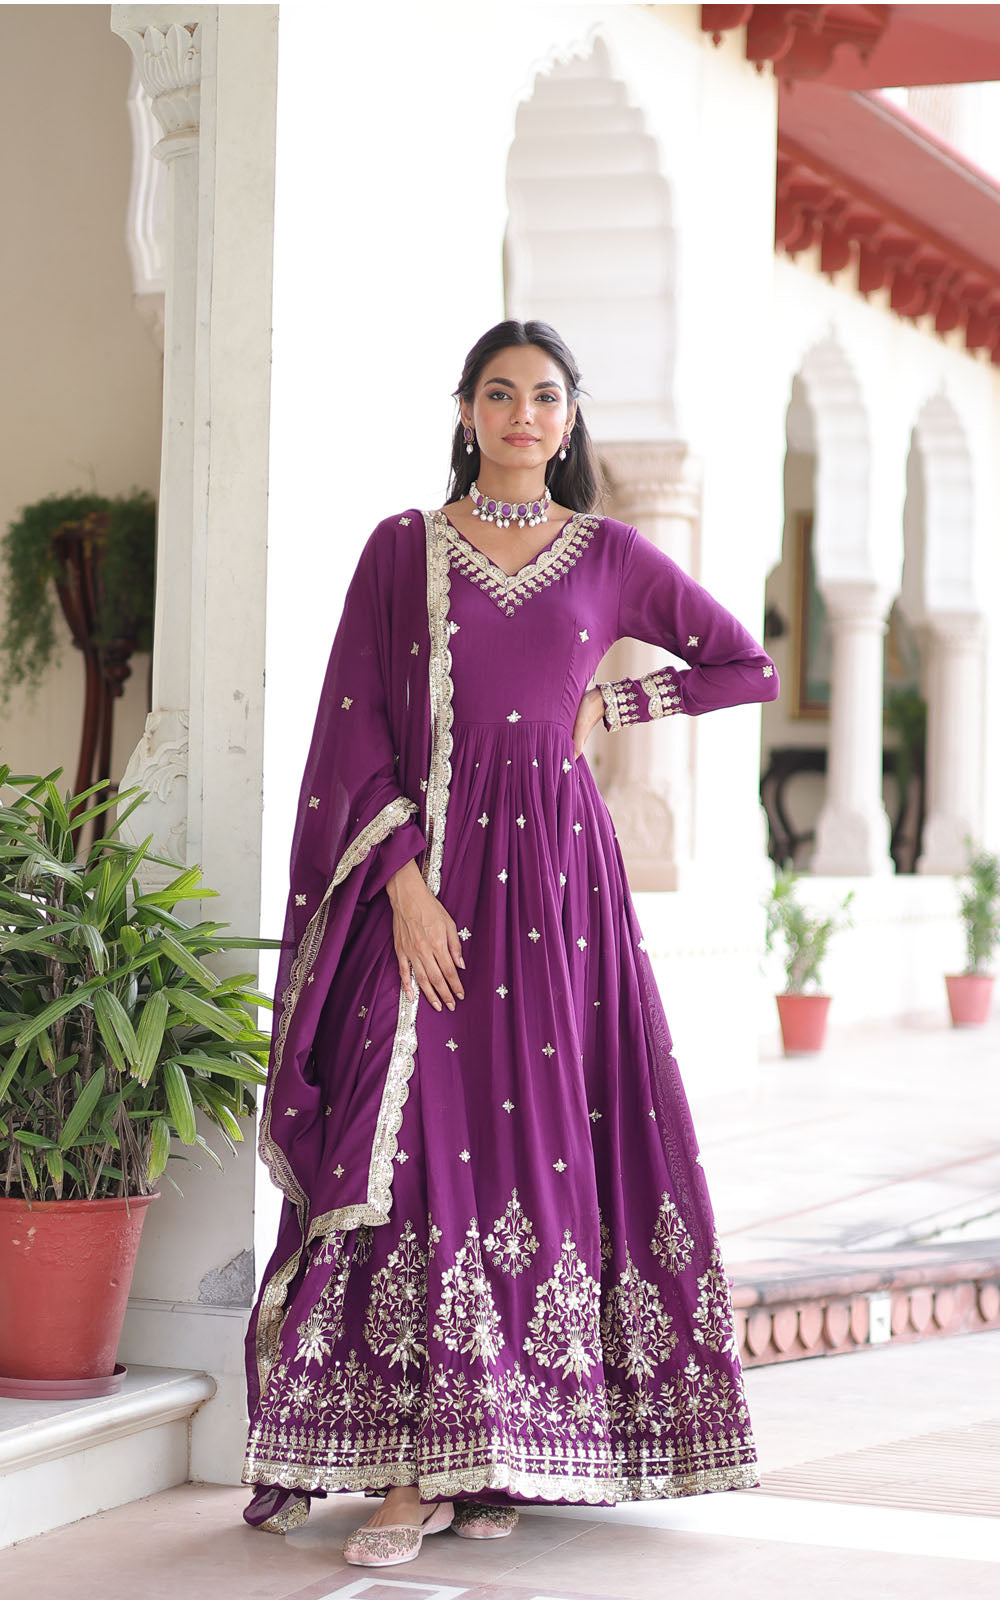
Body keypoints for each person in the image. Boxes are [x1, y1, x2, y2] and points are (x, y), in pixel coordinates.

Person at [242, 319, 779, 1568]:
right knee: (409, 1133)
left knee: (535, 1143)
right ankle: (410, 1460)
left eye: (545, 397)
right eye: (500, 393)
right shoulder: (404, 551)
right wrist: (400, 887)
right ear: (467, 413)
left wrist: (617, 699)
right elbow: (354, 729)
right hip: (427, 875)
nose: (524, 414)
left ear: (571, 420)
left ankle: (488, 1457)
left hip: (557, 885)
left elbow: (742, 663)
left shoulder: (606, 554)